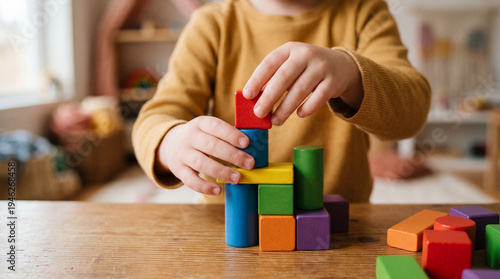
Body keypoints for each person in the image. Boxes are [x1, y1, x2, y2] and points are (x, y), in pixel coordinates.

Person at [132, 0, 431, 203]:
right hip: (231, 225)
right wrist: (170, 141)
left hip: (340, 230)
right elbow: (156, 117)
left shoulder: (364, 11)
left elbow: (412, 110)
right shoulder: (211, 24)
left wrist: (351, 73)